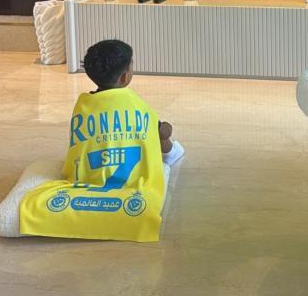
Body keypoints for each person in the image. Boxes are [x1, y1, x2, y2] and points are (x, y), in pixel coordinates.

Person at [14, 40, 184, 242]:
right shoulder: (134, 103)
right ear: (124, 77)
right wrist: (164, 131)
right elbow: (154, 131)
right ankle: (172, 152)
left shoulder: (83, 105)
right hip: (129, 175)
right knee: (162, 132)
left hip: (88, 175)